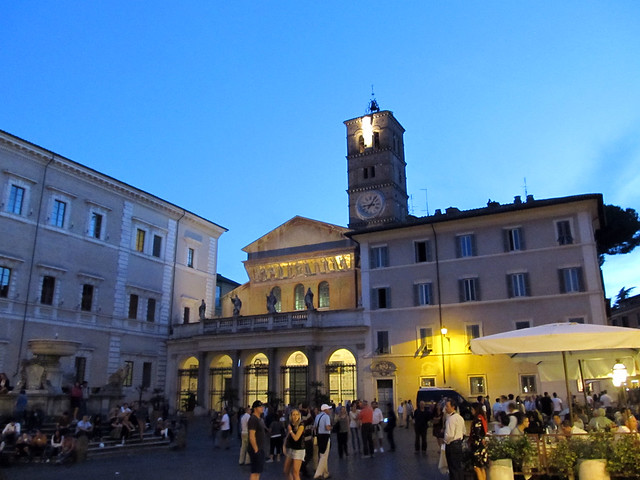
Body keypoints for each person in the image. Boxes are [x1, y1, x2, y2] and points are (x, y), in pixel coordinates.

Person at [444, 398, 465, 480]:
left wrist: (445, 441)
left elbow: (449, 434)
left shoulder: (450, 419)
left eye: (447, 406)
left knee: (452, 468)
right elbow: (463, 431)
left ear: (453, 407)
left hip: (452, 445)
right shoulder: (460, 418)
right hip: (459, 443)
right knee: (458, 467)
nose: (446, 408)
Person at [283, 408, 306, 480]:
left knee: (295, 472)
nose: (295, 416)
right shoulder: (290, 424)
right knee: (286, 471)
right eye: (293, 415)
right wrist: (284, 445)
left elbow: (296, 438)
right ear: (291, 416)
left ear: (299, 416)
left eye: (297, 415)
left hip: (299, 449)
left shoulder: (301, 425)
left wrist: (290, 431)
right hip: (290, 448)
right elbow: (287, 436)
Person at [469, 402, 488, 480]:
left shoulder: (477, 420)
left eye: (472, 409)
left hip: (477, 446)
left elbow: (477, 434)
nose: (471, 411)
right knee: (482, 467)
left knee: (477, 468)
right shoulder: (482, 418)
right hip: (482, 446)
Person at [313, 404, 332, 480]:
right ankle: (318, 474)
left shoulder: (317, 416)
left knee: (321, 455)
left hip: (319, 436)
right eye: (328, 409)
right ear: (325, 410)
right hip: (325, 436)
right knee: (324, 456)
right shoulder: (326, 417)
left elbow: (314, 427)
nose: (329, 410)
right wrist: (331, 427)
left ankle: (326, 473)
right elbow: (327, 427)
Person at [248, 400, 266, 480]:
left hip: (260, 448)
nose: (262, 408)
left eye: (262, 406)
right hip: (256, 449)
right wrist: (256, 449)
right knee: (255, 471)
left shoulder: (259, 418)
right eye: (260, 407)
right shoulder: (253, 419)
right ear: (255, 408)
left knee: (258, 471)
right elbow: (251, 435)